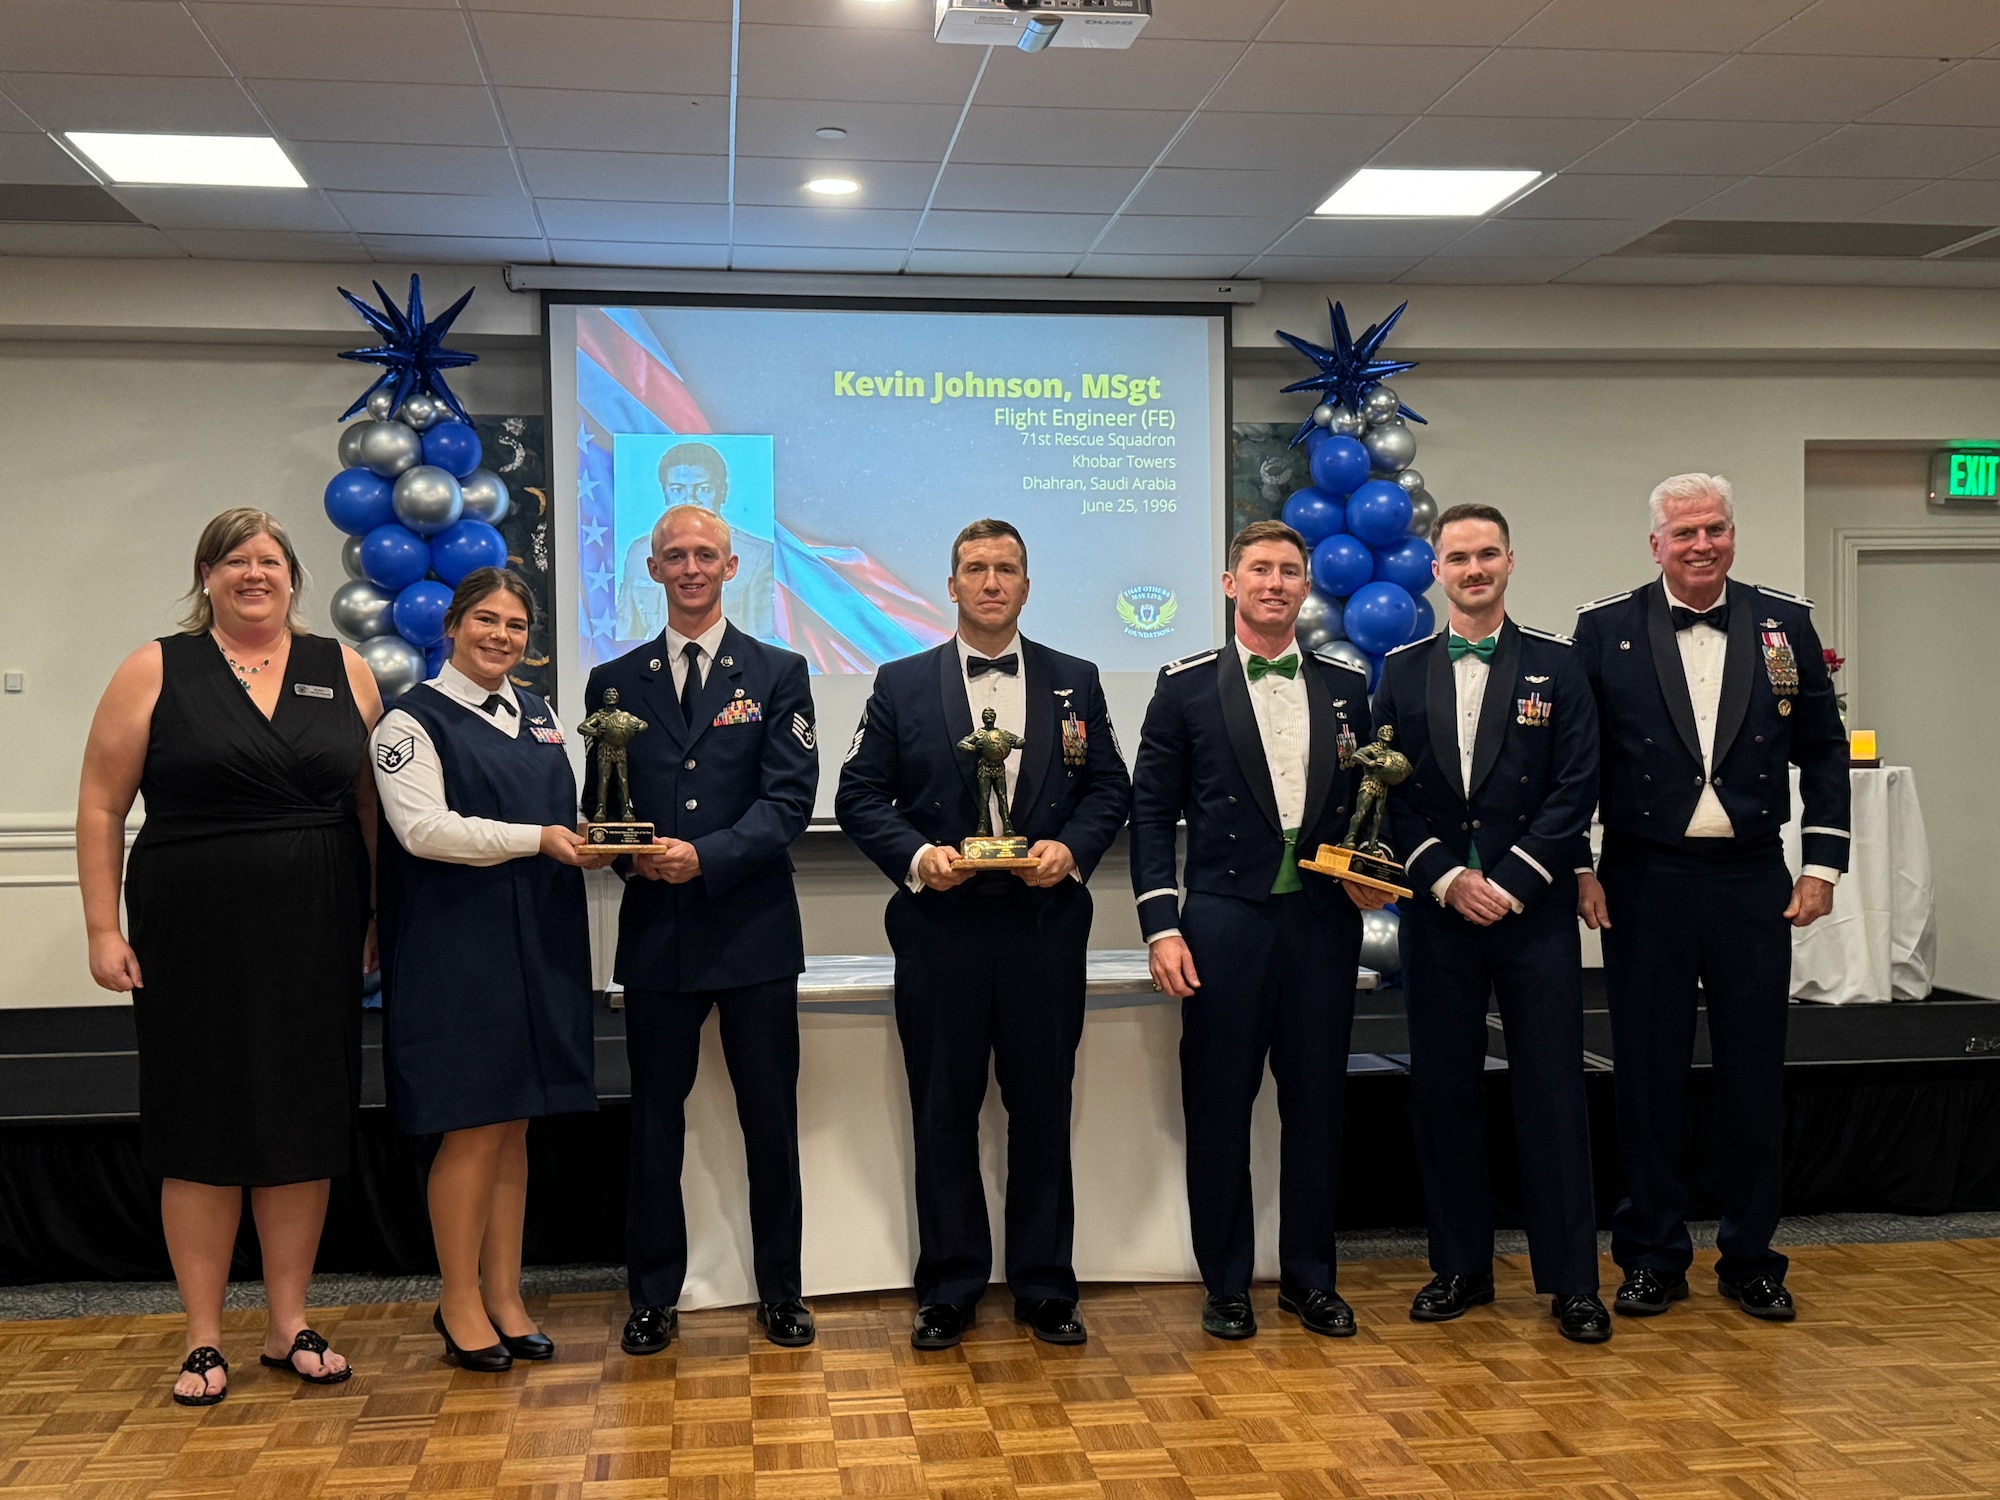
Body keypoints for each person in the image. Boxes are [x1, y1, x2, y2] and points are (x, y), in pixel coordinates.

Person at [76, 509, 381, 1406]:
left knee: (302, 1122)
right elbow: (100, 806)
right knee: (199, 1124)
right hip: (190, 931)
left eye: (271, 561)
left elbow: (368, 808)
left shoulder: (345, 668)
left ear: (295, 578)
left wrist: (373, 914)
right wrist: (102, 929)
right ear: (204, 576)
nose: (255, 574)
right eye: (235, 560)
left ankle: (288, 1323)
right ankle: (204, 1338)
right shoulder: (154, 668)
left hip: (319, 924)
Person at [835, 518, 1131, 1350]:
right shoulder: (899, 683)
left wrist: (1071, 851)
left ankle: (1044, 1285)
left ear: (1027, 586)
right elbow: (859, 793)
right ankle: (950, 1285)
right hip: (942, 929)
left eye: (1006, 569)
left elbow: (1111, 788)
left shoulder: (1077, 679)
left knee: (1042, 1110)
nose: (992, 582)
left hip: (1043, 928)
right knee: (944, 1112)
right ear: (953, 585)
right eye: (976, 568)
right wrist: (921, 857)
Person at [1572, 473, 1849, 1323]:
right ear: (1654, 543)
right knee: (1646, 1075)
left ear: (1734, 535)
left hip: (1749, 880)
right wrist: (1580, 866)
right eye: (1684, 532)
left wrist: (1822, 866)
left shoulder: (1782, 624)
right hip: (1643, 879)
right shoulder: (1605, 627)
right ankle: (1652, 1253)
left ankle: (1751, 1256)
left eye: (1715, 530)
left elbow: (1825, 751)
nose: (1701, 545)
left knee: (1754, 1075)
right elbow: (1577, 761)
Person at [1129, 519, 1385, 1341]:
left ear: (1305, 586)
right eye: (1260, 569)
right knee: (1220, 1108)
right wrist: (1160, 926)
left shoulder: (1347, 687)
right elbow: (1147, 818)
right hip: (1222, 925)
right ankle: (1227, 1283)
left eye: (1289, 571)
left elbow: (1365, 807)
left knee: (1317, 1109)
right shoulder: (1184, 686)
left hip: (1319, 925)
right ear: (1231, 583)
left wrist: (1370, 876)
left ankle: (1311, 1278)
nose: (1275, 583)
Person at [1370, 504, 1609, 1343]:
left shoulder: (1560, 664)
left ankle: (1573, 1283)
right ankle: (1460, 1268)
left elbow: (1577, 784)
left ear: (1510, 561)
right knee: (1444, 1094)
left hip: (1532, 912)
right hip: (1439, 915)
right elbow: (1386, 794)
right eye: (1457, 557)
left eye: (1487, 555)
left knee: (1552, 1094)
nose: (1473, 570)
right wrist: (1444, 876)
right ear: (1436, 570)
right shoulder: (1398, 670)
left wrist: (1508, 881)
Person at [588, 504, 820, 1354]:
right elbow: (600, 809)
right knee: (654, 1123)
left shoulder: (780, 671)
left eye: (705, 555)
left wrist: (707, 856)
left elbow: (790, 802)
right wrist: (628, 857)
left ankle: (782, 1292)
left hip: (752, 929)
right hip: (656, 934)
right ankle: (653, 1296)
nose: (690, 567)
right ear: (652, 571)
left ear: (730, 567)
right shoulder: (613, 682)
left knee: (770, 1120)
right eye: (674, 556)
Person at [371, 567, 615, 1372]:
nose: (501, 636)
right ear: (451, 625)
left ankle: (506, 1295)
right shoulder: (410, 721)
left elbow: (551, 813)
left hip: (539, 938)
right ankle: (458, 1299)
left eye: (515, 625)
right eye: (486, 620)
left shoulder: (539, 714)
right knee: (472, 1129)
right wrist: (539, 837)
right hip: (457, 949)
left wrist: (582, 836)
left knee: (514, 1128)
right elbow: (424, 831)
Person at [616, 441, 779, 642]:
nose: (689, 499)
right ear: (665, 492)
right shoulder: (639, 552)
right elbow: (627, 634)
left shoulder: (757, 555)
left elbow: (763, 642)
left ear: (722, 492)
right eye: (677, 489)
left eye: (703, 489)